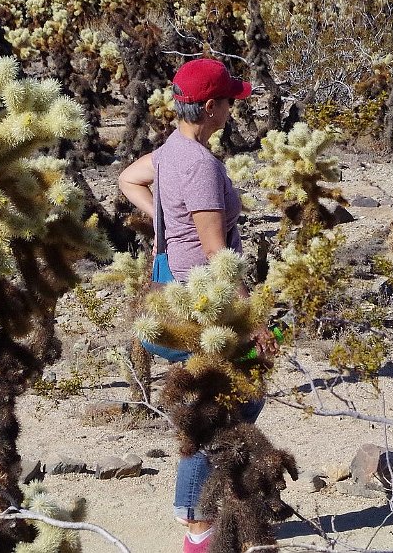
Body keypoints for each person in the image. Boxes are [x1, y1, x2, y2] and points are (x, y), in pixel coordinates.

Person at [118, 58, 278, 553]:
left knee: (233, 399)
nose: (233, 108)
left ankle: (224, 509)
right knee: (220, 404)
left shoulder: (171, 151)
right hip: (200, 305)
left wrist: (168, 219)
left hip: (169, 290)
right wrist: (251, 321)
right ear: (210, 106)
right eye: (229, 100)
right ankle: (198, 528)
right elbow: (218, 255)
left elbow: (128, 179)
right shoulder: (201, 166)